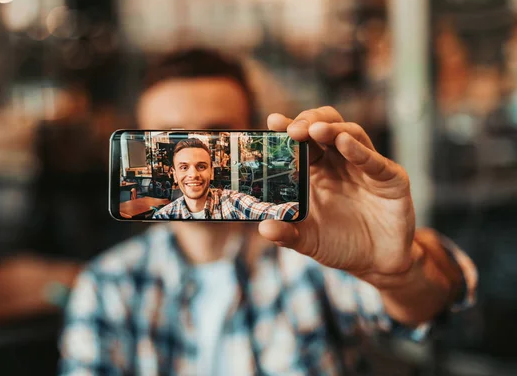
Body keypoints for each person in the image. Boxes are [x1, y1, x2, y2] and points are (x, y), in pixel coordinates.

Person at [59, 48, 477, 375]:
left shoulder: (311, 253)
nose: (194, 158)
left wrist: (400, 271)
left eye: (216, 134)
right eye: (173, 138)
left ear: (249, 137)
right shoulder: (107, 287)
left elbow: (431, 302)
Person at [152, 138, 298, 220]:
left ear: (211, 172)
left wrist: (304, 213)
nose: (193, 174)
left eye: (201, 166)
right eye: (184, 167)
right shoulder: (163, 216)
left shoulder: (232, 202)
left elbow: (274, 212)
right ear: (174, 175)